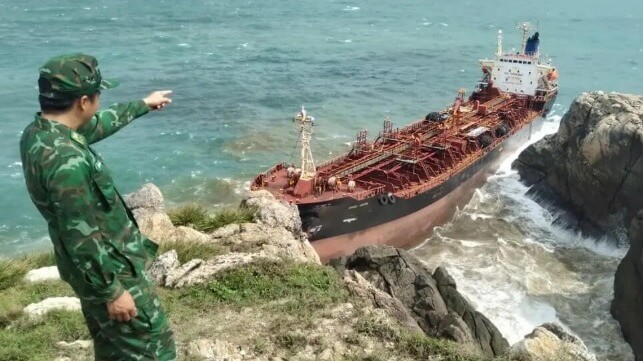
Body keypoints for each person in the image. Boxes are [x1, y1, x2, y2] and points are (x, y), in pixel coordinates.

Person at [20, 53, 177, 360]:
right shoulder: (68, 163)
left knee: (114, 347)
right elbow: (80, 234)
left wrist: (143, 105)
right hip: (111, 272)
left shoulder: (40, 134)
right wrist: (113, 292)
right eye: (97, 94)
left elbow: (98, 125)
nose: (99, 100)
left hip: (88, 273)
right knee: (153, 346)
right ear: (82, 102)